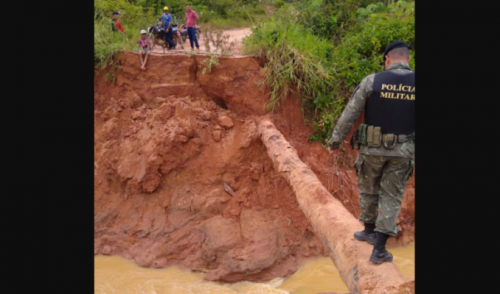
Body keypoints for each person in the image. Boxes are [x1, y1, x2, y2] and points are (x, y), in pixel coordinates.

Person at [327, 41, 415, 264]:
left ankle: (368, 230)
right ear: (408, 60)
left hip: (371, 150)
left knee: (368, 189)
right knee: (391, 198)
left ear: (387, 60)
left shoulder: (372, 81)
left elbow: (350, 114)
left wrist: (335, 141)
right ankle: (379, 249)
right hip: (402, 151)